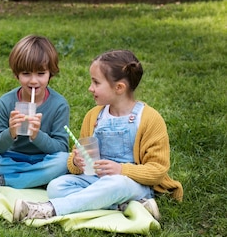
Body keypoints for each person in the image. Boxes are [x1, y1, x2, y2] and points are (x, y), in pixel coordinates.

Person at [14, 50, 183, 222]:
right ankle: (127, 205)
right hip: (95, 179)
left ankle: (49, 210)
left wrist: (121, 170)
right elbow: (77, 156)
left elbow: (158, 170)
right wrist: (76, 161)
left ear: (119, 88)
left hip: (132, 183)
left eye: (96, 82)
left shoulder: (149, 119)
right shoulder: (94, 116)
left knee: (116, 184)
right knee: (56, 187)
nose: (90, 88)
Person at [0, 35, 70, 188]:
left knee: (64, 161)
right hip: (10, 159)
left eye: (40, 73)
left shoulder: (59, 105)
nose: (33, 81)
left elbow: (61, 148)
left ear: (50, 73)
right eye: (26, 73)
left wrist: (37, 135)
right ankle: (36, 178)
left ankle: (6, 181)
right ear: (17, 74)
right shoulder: (6, 102)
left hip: (43, 159)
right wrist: (11, 132)